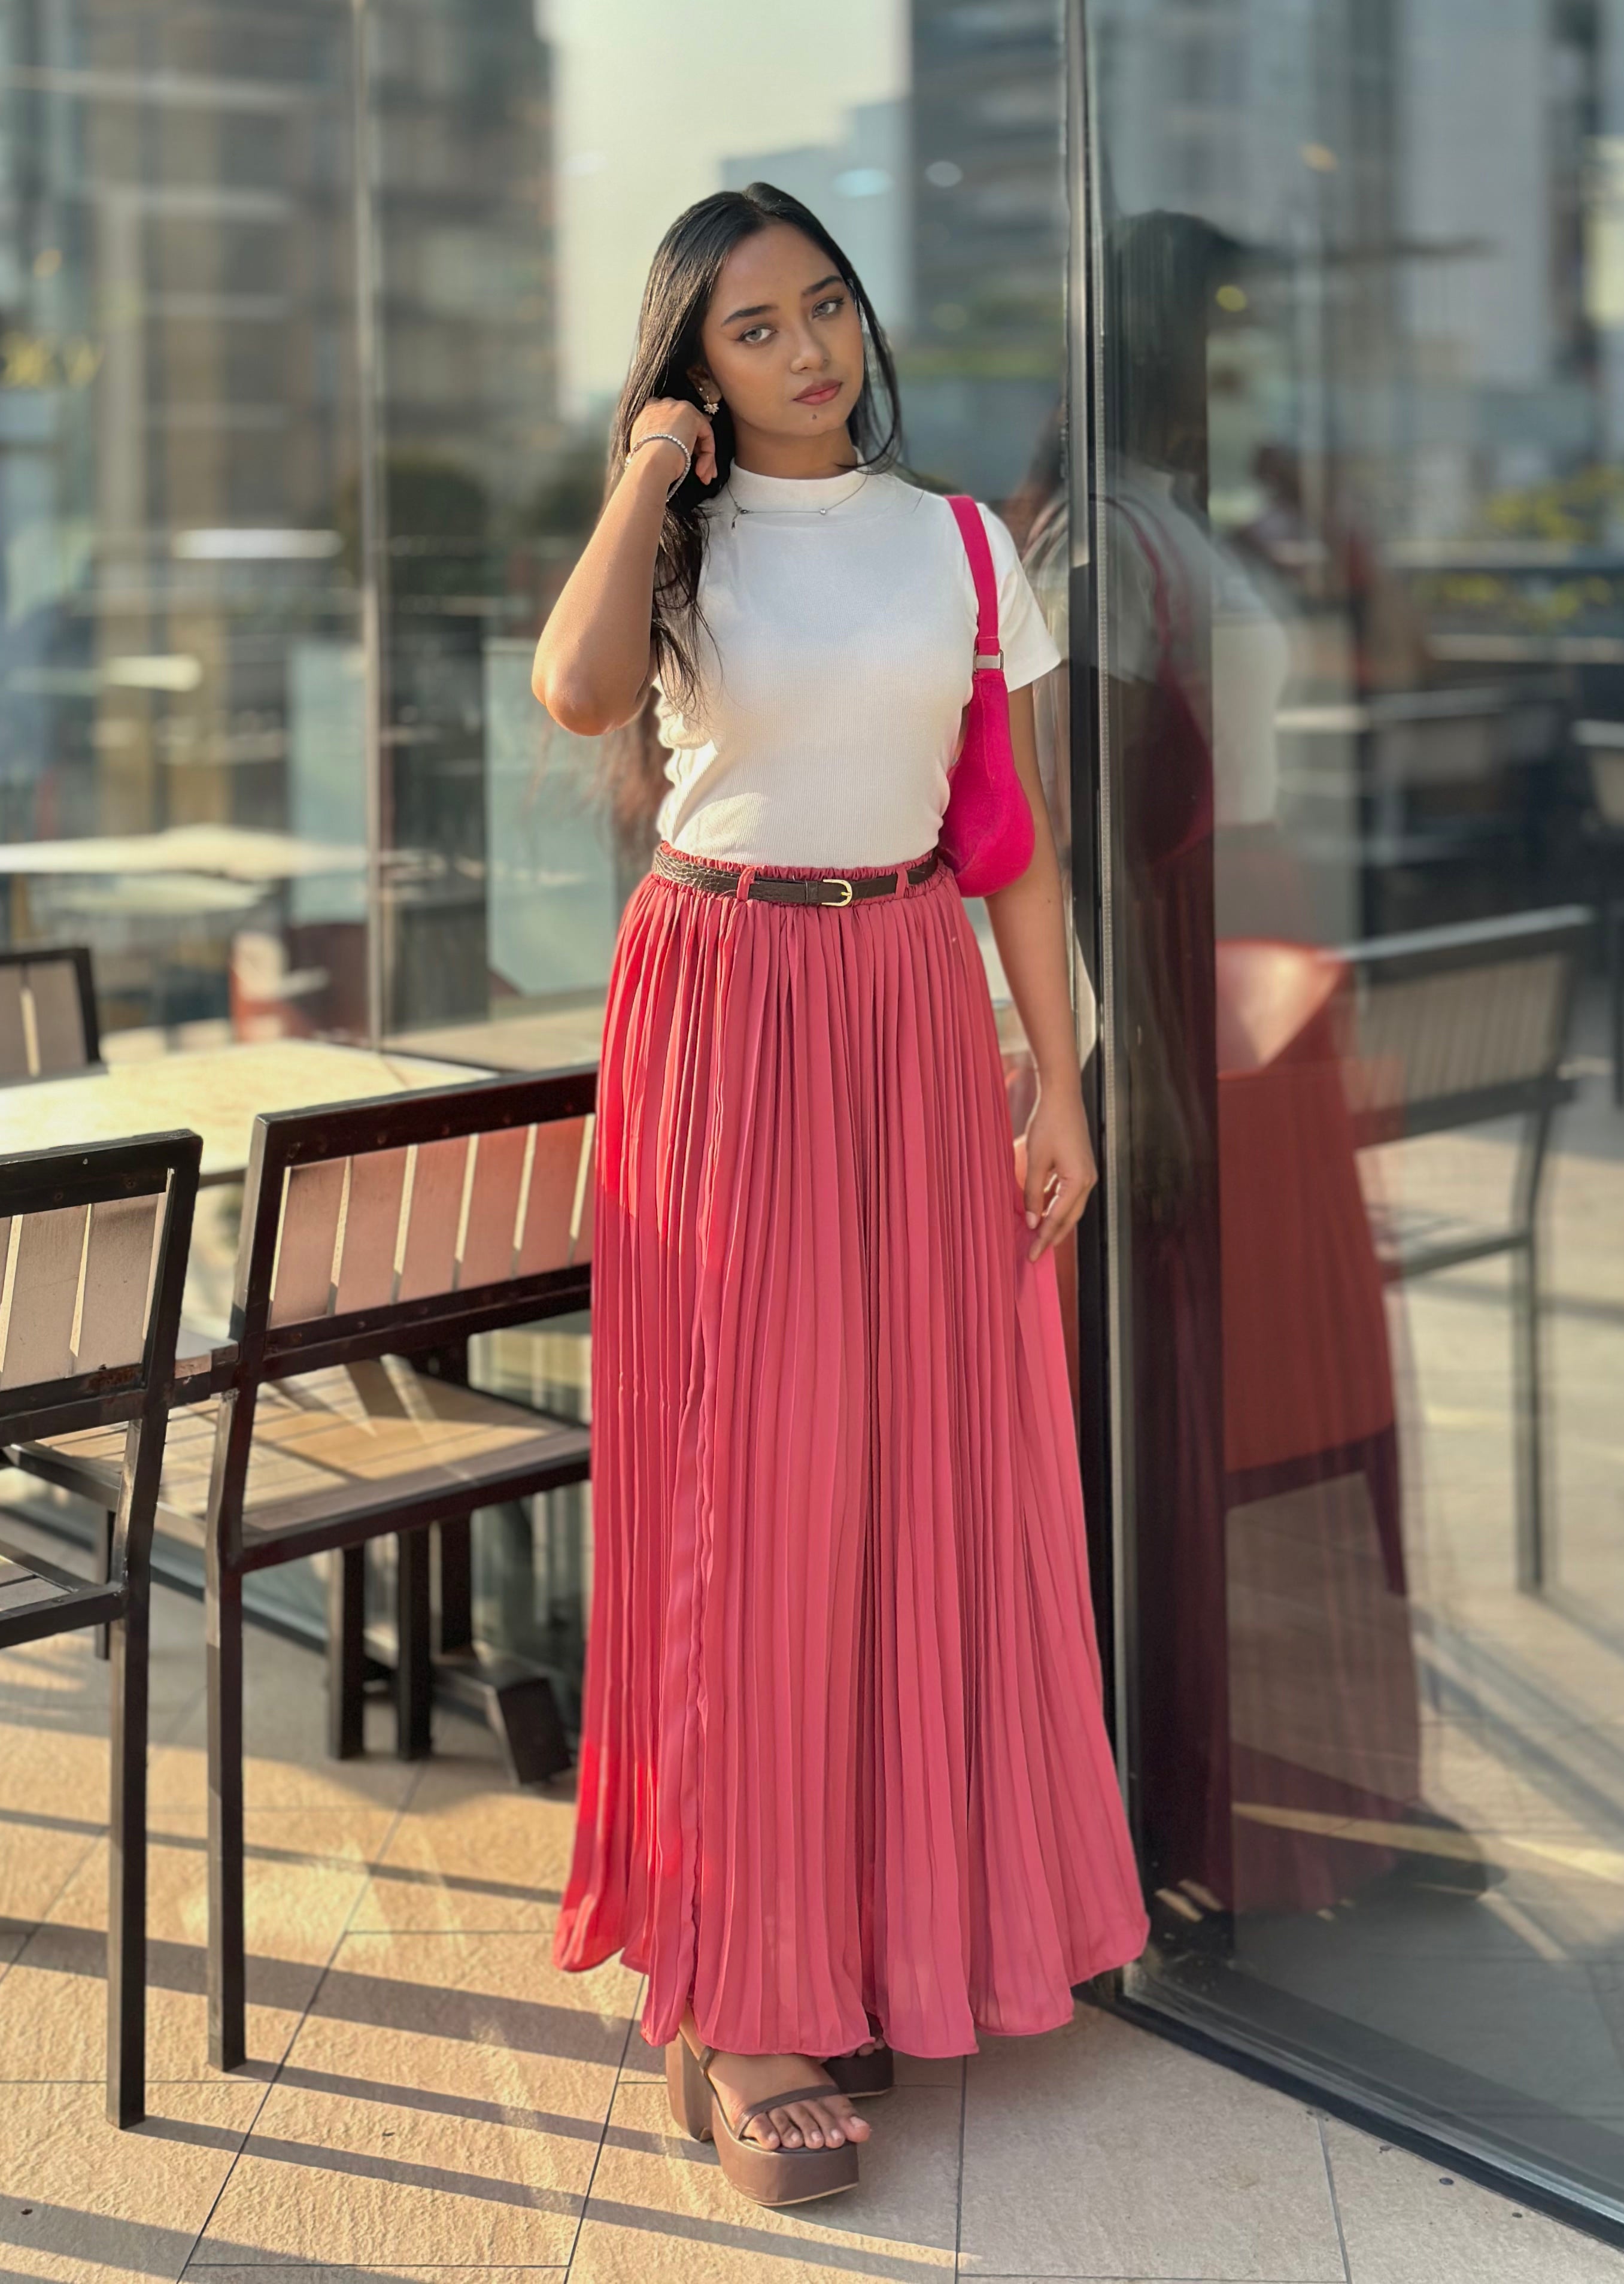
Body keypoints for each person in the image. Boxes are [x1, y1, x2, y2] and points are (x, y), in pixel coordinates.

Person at [530, 181, 1148, 2207]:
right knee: (748, 1490)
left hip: (906, 1003)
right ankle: (741, 1993)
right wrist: (642, 475)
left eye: (823, 311)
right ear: (692, 368)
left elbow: (1019, 843)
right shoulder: (683, 547)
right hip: (723, 997)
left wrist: (1062, 1086)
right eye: (749, 333)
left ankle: (892, 1925)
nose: (808, 353)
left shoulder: (968, 545)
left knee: (922, 1476)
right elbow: (572, 693)